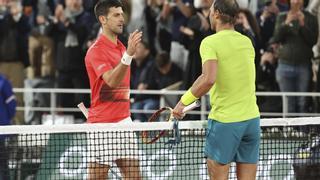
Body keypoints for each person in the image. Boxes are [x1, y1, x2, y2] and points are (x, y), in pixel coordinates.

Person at [173, 0, 260, 179]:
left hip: (226, 122)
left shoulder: (210, 42)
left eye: (211, 11)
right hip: (252, 121)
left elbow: (208, 79)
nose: (209, 15)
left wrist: (183, 103)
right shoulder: (247, 42)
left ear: (218, 13)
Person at [84, 0, 142, 179]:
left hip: (125, 121)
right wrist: (129, 55)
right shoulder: (95, 51)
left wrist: (127, 53)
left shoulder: (122, 48)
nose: (121, 19)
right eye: (116, 15)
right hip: (103, 126)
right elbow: (111, 81)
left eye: (122, 14)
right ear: (103, 19)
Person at [0, 74, 16, 180]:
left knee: (2, 163)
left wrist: (5, 121)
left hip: (1, 132)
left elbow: (11, 104)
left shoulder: (3, 82)